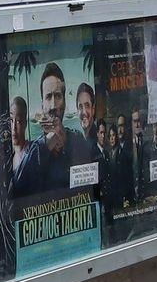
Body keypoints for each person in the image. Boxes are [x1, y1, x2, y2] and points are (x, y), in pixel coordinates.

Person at [11, 63, 100, 197]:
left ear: (64, 102)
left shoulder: (76, 139)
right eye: (48, 97)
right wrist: (47, 143)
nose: (53, 105)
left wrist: (66, 142)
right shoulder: (34, 149)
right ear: (42, 104)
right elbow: (18, 188)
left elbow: (95, 177)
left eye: (58, 96)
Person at [8, 96, 30, 170]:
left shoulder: (33, 151)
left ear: (25, 124)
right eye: (11, 120)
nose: (13, 127)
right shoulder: (8, 157)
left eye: (18, 121)